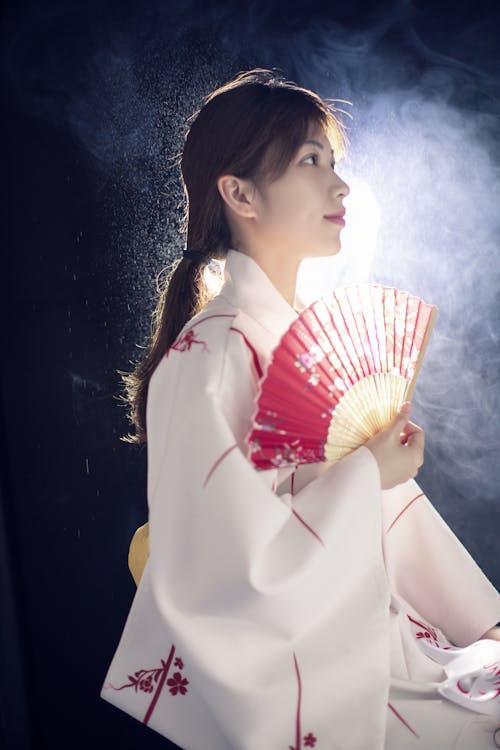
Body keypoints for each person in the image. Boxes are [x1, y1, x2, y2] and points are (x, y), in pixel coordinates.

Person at [100, 68, 500, 749]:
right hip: (313, 678)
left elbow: (388, 517)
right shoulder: (210, 358)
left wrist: (479, 621)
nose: (339, 186)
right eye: (311, 161)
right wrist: (364, 475)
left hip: (380, 637)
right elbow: (229, 576)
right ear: (239, 192)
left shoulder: (295, 343)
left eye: (334, 162)